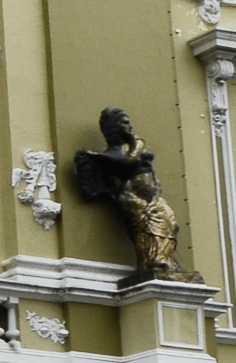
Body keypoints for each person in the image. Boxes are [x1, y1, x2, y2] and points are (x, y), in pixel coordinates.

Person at [71, 106, 185, 285]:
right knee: (146, 229)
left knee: (171, 223)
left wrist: (97, 156)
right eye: (124, 122)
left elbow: (130, 159)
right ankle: (154, 262)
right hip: (135, 198)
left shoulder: (134, 144)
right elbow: (110, 183)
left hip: (152, 196)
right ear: (113, 127)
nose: (129, 125)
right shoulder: (110, 155)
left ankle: (167, 262)